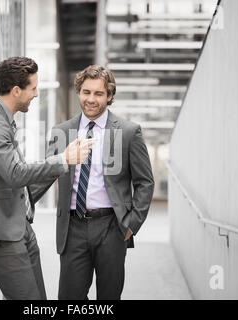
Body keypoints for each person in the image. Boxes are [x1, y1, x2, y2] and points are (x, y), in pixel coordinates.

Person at [0, 56, 93, 300]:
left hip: (17, 225)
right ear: (16, 90)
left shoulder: (2, 120)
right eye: (33, 88)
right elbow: (15, 173)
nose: (37, 94)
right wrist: (63, 160)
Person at [30, 65, 154, 300]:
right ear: (79, 92)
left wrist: (130, 225)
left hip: (112, 227)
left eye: (98, 93)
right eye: (86, 92)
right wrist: (20, 204)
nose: (91, 99)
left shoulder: (128, 132)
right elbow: (46, 174)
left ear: (109, 96)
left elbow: (145, 182)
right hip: (73, 227)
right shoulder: (61, 132)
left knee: (108, 298)